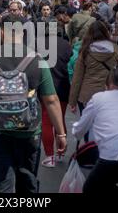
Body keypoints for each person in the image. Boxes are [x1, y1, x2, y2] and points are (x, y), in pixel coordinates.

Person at [0, 14, 67, 193]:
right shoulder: (38, 61)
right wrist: (60, 134)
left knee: (1, 185)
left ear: (2, 33)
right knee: (27, 182)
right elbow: (51, 100)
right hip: (28, 132)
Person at [68, 21, 118, 119]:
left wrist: (72, 101)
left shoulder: (85, 51)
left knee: (87, 125)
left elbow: (77, 78)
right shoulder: (115, 49)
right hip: (109, 94)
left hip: (87, 95)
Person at [40, 22, 72, 168]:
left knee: (46, 121)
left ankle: (49, 156)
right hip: (63, 86)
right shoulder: (67, 45)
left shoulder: (38, 44)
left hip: (45, 87)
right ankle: (61, 152)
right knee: (60, 119)